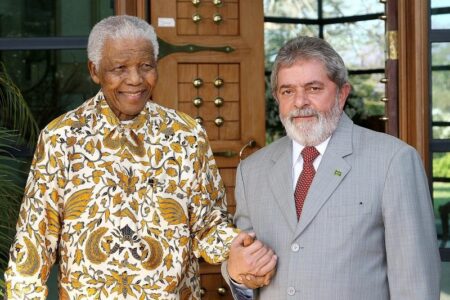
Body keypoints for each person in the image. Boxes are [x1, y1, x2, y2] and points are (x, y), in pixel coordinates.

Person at [4, 15, 276, 299]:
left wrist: (239, 249)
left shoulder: (186, 135)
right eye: (119, 68)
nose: (135, 80)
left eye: (146, 66)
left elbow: (208, 224)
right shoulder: (61, 137)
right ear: (94, 70)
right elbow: (34, 241)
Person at [222, 36, 441, 299]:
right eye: (287, 91)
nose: (300, 101)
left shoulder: (393, 161)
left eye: (313, 88)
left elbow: (415, 283)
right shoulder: (252, 170)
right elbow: (245, 265)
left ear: (342, 93)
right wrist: (236, 274)